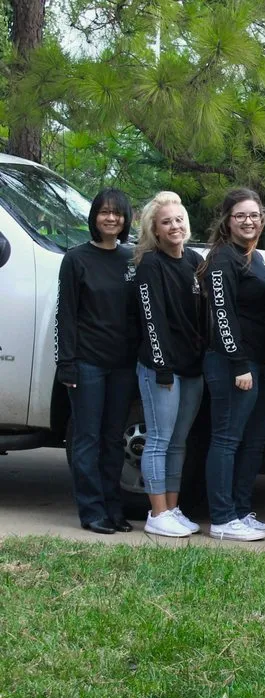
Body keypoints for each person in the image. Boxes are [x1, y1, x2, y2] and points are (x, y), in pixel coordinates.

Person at [199, 188, 265, 542]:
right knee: (228, 439)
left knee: (253, 441)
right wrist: (238, 365)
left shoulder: (255, 258)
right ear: (227, 221)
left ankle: (242, 512)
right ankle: (221, 517)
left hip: (261, 362)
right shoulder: (222, 259)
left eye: (254, 215)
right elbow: (222, 315)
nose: (248, 221)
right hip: (233, 364)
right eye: (240, 216)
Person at [55, 188, 137, 534]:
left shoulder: (131, 259)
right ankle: (91, 511)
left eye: (117, 213)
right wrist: (67, 363)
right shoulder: (76, 259)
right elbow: (66, 316)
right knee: (86, 438)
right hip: (87, 363)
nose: (110, 218)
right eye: (104, 212)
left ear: (124, 219)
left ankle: (113, 508)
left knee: (112, 438)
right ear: (94, 217)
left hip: (122, 364)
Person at [134, 191, 205, 538]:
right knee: (159, 439)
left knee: (179, 441)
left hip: (192, 368)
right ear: (155, 230)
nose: (175, 226)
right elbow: (152, 319)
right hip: (162, 368)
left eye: (179, 219)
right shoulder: (150, 264)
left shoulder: (193, 260)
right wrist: (162, 365)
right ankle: (157, 513)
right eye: (166, 222)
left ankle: (173, 510)